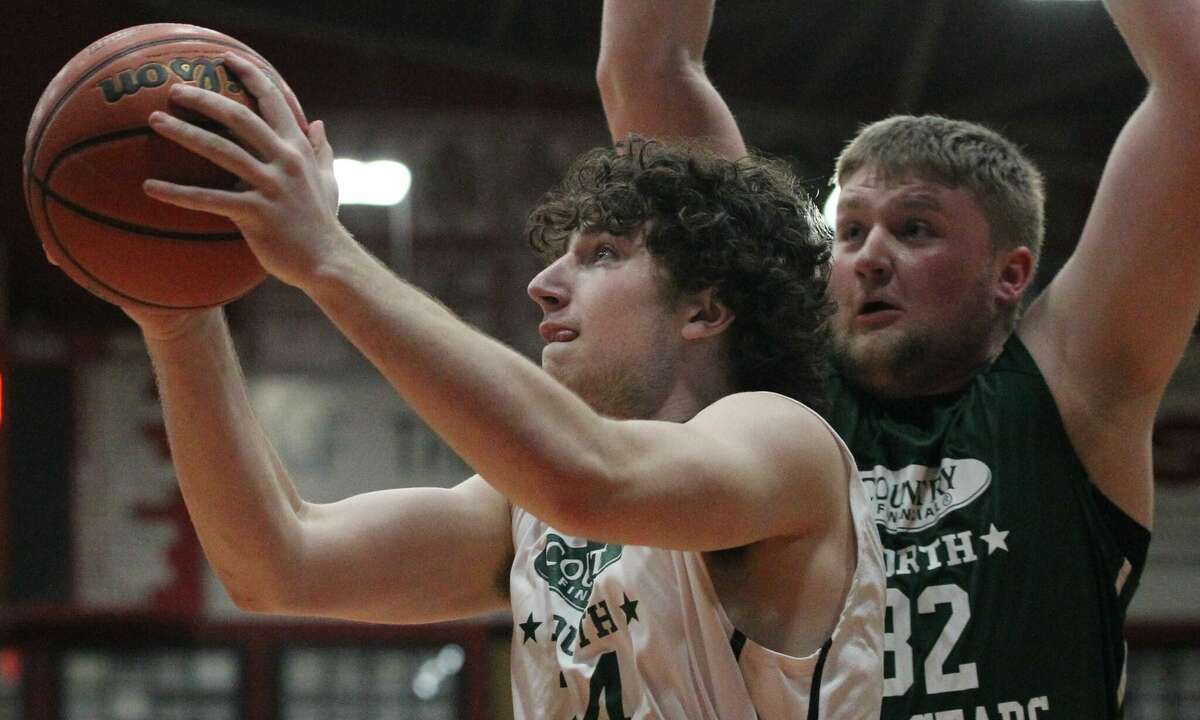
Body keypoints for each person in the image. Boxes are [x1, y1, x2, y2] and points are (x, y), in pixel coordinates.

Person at [122, 53, 886, 718]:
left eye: (603, 255)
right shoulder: (526, 509)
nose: (544, 284)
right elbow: (278, 563)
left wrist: (327, 255)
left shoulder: (784, 443)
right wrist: (178, 317)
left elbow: (591, 479)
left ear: (706, 307)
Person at [596, 0, 1199, 718]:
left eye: (914, 229)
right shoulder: (786, 395)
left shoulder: (1074, 388)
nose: (870, 257)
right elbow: (648, 67)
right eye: (848, 230)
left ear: (1010, 274)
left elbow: (1191, 91)